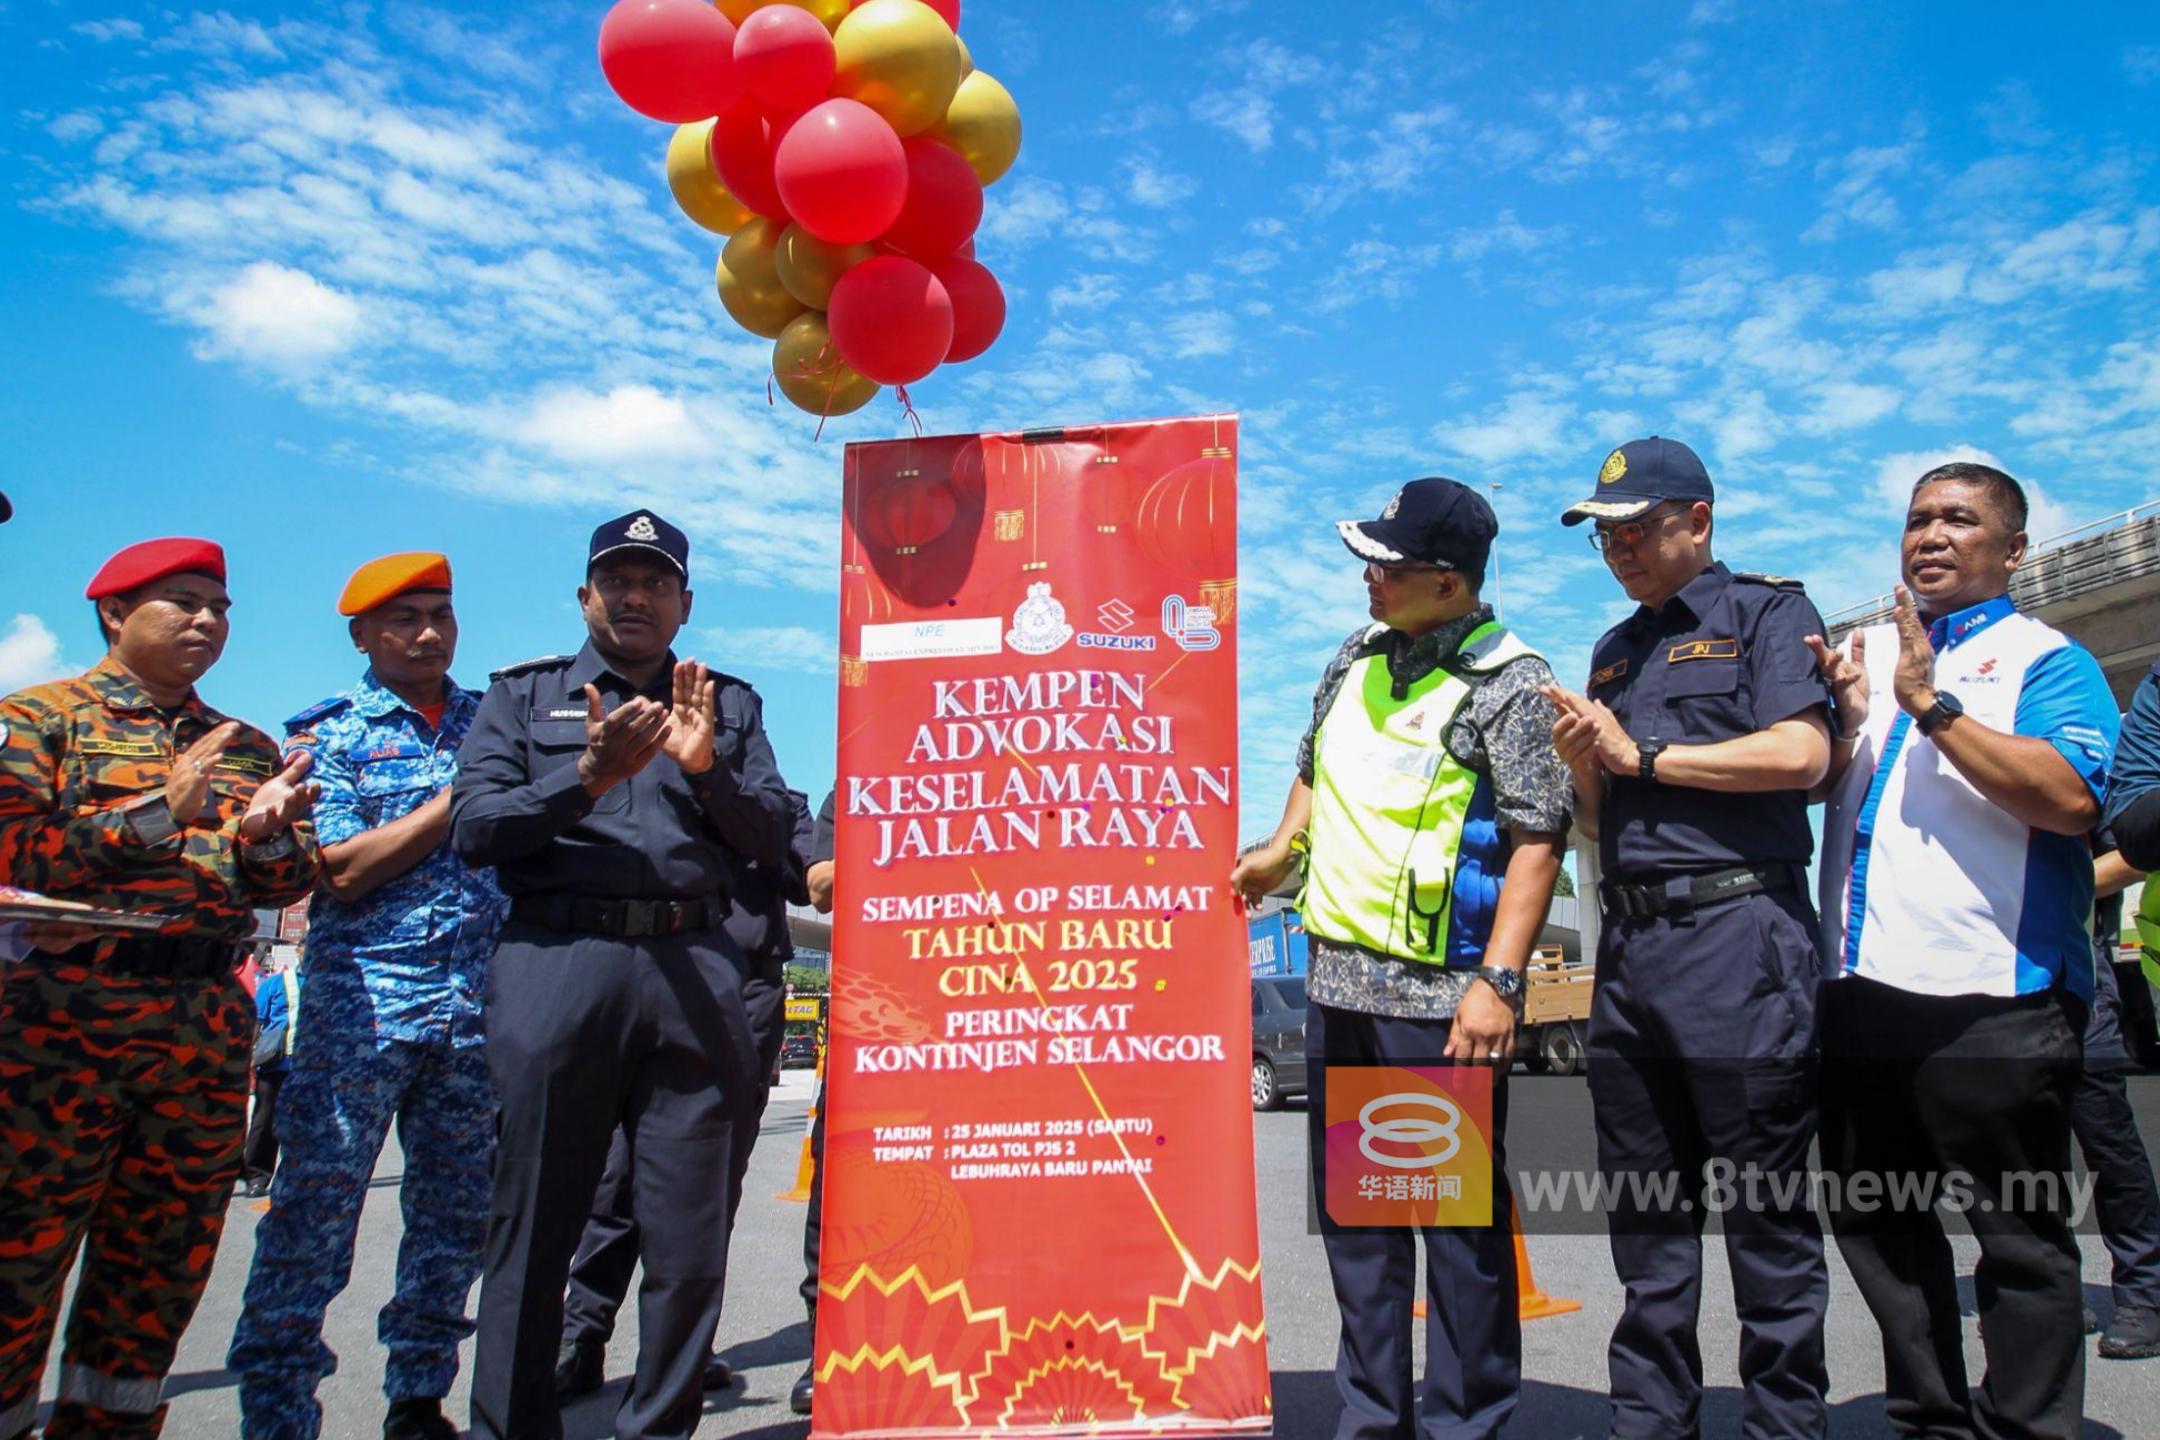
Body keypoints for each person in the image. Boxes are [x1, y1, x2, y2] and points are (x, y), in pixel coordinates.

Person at [1232, 477, 1568, 1440]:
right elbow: (1311, 766)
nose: (1369, 579)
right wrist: (1278, 849)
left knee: (1457, 1239)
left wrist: (1497, 984)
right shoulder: (1353, 657)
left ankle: (1467, 1423)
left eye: (1390, 565)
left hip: (1435, 1006)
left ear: (1451, 582)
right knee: (1364, 1237)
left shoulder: (1509, 683)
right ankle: (1373, 1421)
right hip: (1340, 988)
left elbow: (1536, 841)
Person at [451, 511, 793, 1440]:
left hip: (695, 969)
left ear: (685, 602)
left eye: (656, 581)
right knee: (535, 1221)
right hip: (560, 965)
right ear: (585, 597)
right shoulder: (522, 698)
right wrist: (586, 778)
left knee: (687, 1239)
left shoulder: (729, 705)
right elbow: (475, 831)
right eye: (618, 580)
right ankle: (514, 1426)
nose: (636, 595)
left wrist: (709, 767)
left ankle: (659, 1425)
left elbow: (776, 840)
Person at [1813, 461, 2116, 1440]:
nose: (1931, 535)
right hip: (1860, 995)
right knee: (1880, 1229)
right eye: (1917, 519)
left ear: (2012, 549)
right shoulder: (1862, 653)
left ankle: (2027, 1429)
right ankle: (1930, 1421)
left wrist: (1934, 705)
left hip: (1996, 1002)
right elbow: (1815, 792)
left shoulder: (2046, 660)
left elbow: (2069, 801)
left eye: (1959, 519)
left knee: (2019, 1245)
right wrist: (1847, 719)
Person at [1542, 438, 1834, 1440]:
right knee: (1646, 1220)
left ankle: (1784, 1425)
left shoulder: (1767, 613)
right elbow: (1601, 812)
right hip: (1629, 951)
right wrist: (1585, 765)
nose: (1617, 548)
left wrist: (1646, 751)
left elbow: (1803, 752)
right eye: (1603, 535)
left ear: (1697, 521)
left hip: (1737, 936)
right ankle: (1652, 1422)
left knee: (1766, 1217)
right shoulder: (1612, 651)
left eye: (1635, 527)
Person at [0, 537, 320, 1439]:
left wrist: (264, 834)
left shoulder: (245, 746)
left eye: (218, 607)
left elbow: (283, 884)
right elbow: (17, 851)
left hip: (200, 1030)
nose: (207, 621)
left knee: (158, 1275)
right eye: (182, 602)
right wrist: (154, 814)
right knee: (16, 1267)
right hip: (58, 1025)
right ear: (113, 611)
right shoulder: (35, 721)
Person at [226, 553, 508, 1440]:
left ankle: (418, 1397)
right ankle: (277, 1410)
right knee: (313, 1221)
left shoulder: (495, 722)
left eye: (441, 614)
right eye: (404, 619)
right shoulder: (330, 734)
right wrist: (458, 801)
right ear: (361, 635)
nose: (428, 633)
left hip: (474, 1014)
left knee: (454, 1221)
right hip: (363, 1014)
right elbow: (341, 871)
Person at [556, 787, 816, 1397]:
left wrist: (735, 806)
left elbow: (808, 881)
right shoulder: (640, 784)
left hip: (744, 984)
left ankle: (680, 1349)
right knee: (618, 1173)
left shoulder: (779, 803)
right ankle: (582, 1334)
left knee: (709, 1179)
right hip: (654, 974)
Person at [2079, 838, 2160, 1359]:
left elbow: (2136, 854)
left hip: (2072, 970)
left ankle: (2144, 1293)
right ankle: (2051, 1290)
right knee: (2014, 1147)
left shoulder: (2071, 757)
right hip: (1982, 979)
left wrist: (2039, 891)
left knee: (2107, 1141)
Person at [790, 787, 837, 1419]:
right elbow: (820, 886)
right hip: (893, 1018)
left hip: (1017, 1011)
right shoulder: (871, 777)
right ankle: (829, 1344)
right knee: (844, 1185)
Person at [243, 948, 302, 1198]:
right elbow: (257, 1020)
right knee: (264, 1121)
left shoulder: (325, 983)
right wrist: (248, 1059)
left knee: (305, 1124)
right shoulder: (276, 983)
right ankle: (257, 1175)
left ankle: (298, 1177)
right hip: (276, 1064)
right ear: (299, 951)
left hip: (310, 1066)